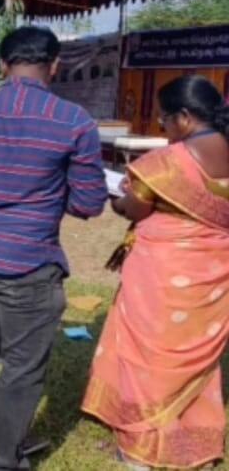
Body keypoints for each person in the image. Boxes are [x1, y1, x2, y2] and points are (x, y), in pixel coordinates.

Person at [0, 26, 107, 470]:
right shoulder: (74, 121)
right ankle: (4, 460)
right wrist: (44, 197)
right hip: (29, 260)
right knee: (22, 365)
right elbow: (89, 203)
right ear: (54, 65)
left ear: (3, 65)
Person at [82, 75, 229, 470]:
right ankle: (194, 433)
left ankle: (141, 446)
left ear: (183, 116)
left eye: (164, 119)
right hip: (215, 273)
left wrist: (118, 199)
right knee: (195, 356)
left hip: (163, 272)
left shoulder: (166, 164)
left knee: (150, 354)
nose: (162, 127)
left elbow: (133, 209)